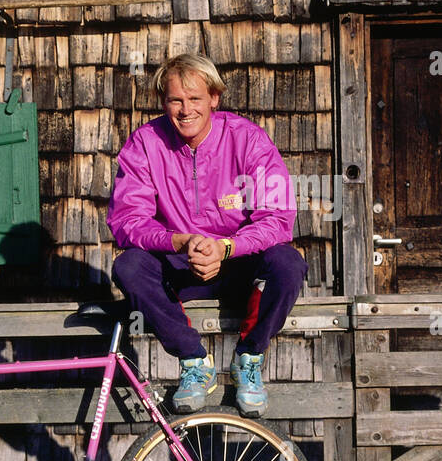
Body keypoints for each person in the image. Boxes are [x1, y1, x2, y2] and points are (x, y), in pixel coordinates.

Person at [106, 53, 307, 417]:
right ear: (163, 102)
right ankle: (194, 362)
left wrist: (226, 247)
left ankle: (249, 357)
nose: (185, 110)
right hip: (180, 266)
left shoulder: (248, 139)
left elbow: (277, 218)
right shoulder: (145, 143)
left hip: (240, 265)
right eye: (175, 100)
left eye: (195, 99)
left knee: (288, 262)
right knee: (129, 267)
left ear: (214, 98)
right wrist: (179, 241)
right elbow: (127, 219)